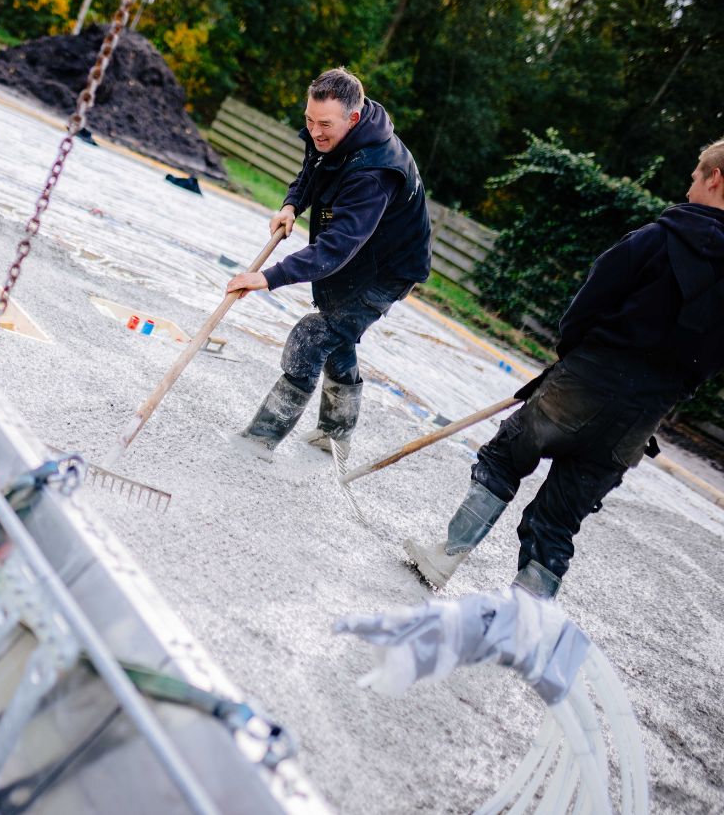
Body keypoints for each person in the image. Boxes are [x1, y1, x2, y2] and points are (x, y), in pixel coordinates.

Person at [405, 139, 724, 598]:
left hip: (588, 378)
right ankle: (527, 617)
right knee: (561, 516)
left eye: (695, 176)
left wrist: (572, 356)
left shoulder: (657, 238)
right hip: (644, 412)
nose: (689, 186)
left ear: (715, 178)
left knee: (505, 457)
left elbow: (590, 301)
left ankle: (445, 557)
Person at [227, 68, 432, 460]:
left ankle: (257, 441)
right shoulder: (331, 130)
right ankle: (335, 436)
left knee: (314, 335)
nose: (315, 131)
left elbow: (335, 248)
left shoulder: (374, 172)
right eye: (309, 120)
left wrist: (267, 278)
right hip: (359, 251)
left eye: (324, 125)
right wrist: (292, 204)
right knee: (336, 334)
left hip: (387, 270)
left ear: (353, 119)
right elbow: (314, 168)